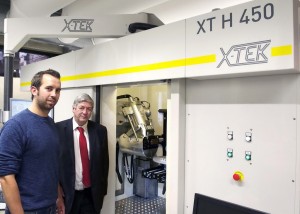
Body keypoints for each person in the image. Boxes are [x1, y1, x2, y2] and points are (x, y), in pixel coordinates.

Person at [0, 69, 63, 214]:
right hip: (27, 210)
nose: (54, 94)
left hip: (50, 207)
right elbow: (5, 178)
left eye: (58, 90)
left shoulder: (51, 125)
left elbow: (51, 167)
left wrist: (58, 197)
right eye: (49, 88)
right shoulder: (15, 126)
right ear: (34, 90)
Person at [56, 93, 109, 214]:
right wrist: (57, 195)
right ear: (74, 109)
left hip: (91, 195)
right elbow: (52, 164)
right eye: (81, 108)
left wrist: (102, 192)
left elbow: (105, 163)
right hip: (68, 195)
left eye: (89, 109)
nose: (85, 112)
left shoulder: (100, 130)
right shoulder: (58, 129)